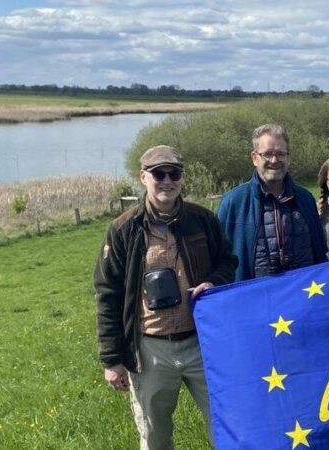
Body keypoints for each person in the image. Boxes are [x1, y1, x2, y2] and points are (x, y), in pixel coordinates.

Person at [94, 145, 237, 449]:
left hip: (202, 344)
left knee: (227, 424)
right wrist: (112, 359)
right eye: (159, 174)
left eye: (174, 173)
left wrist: (214, 280)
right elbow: (107, 294)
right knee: (155, 436)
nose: (167, 180)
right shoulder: (123, 230)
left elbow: (228, 261)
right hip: (150, 349)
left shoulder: (202, 220)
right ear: (143, 177)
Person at [217, 123, 327, 281]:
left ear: (288, 158)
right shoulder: (233, 203)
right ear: (255, 158)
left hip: (303, 293)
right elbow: (219, 258)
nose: (274, 160)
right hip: (256, 298)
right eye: (267, 154)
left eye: (281, 154)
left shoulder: (305, 199)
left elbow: (320, 251)